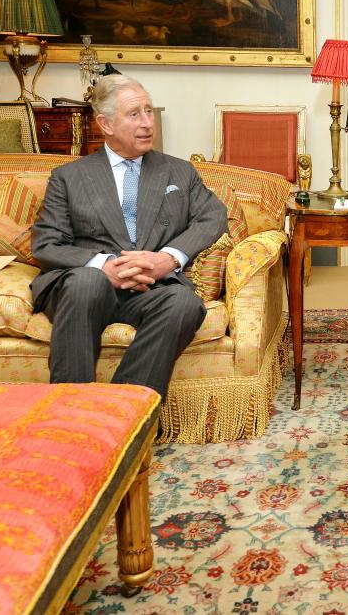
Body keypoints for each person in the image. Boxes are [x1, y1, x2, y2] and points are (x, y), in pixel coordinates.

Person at [30, 74, 227, 398]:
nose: (148, 123)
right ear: (105, 124)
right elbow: (47, 244)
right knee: (87, 283)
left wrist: (168, 259)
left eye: (149, 111)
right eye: (134, 114)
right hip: (86, 286)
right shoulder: (69, 177)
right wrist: (105, 265)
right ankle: (69, 413)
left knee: (184, 304)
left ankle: (125, 410)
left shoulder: (179, 172)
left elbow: (213, 215)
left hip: (153, 286)